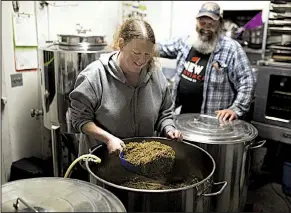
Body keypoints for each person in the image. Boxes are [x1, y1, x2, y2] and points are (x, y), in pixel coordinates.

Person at [69, 19, 183, 156]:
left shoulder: (156, 75)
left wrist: (168, 128)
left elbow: (165, 113)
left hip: (143, 161)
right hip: (102, 161)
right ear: (122, 44)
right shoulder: (95, 76)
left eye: (147, 54)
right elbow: (79, 120)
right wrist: (108, 139)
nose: (141, 60)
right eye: (136, 52)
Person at [158, 2, 256, 121]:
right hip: (183, 117)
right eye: (202, 22)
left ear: (219, 24)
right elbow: (162, 48)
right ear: (197, 23)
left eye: (211, 23)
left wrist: (236, 109)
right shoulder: (186, 41)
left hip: (213, 124)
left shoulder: (231, 48)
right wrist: (140, 44)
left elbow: (247, 81)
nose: (206, 27)